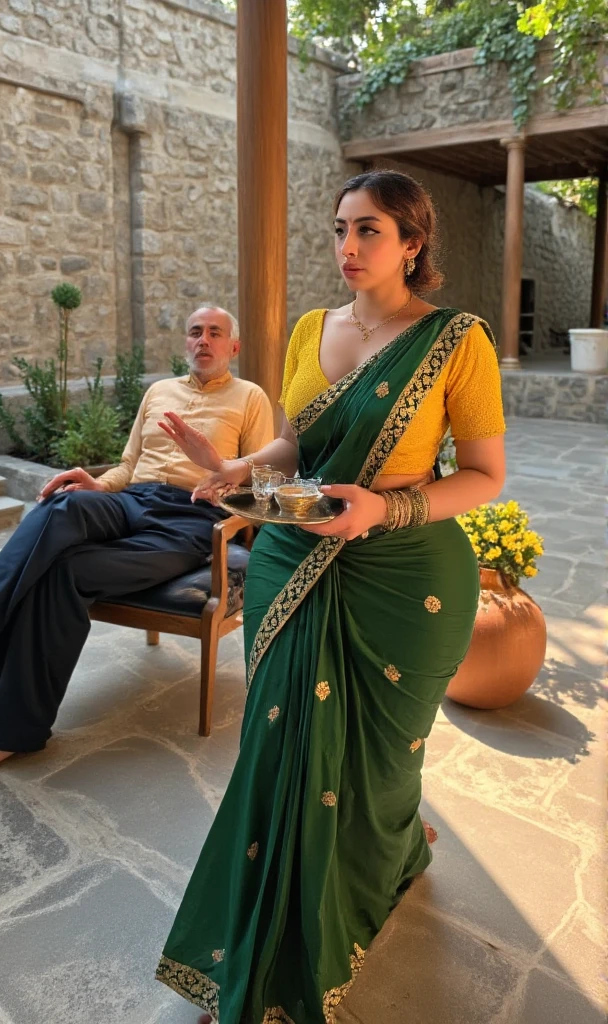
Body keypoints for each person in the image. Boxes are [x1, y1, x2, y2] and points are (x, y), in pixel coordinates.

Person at [154, 171, 506, 1024]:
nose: (348, 248)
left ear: (413, 244)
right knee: (280, 754)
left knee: (383, 764)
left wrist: (387, 506)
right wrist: (235, 468)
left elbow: (487, 477)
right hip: (291, 558)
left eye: (371, 231)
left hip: (404, 572)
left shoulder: (458, 341)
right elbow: (293, 443)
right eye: (340, 229)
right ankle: (260, 946)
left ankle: (385, 851)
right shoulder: (313, 329)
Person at [0, 305, 273, 779]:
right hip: (133, 501)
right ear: (185, 342)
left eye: (215, 333)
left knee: (64, 572)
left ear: (234, 346)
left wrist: (221, 485)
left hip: (190, 520)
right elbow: (126, 466)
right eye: (195, 332)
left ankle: (7, 731)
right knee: (62, 505)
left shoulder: (250, 398)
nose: (203, 340)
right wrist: (97, 484)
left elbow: (261, 485)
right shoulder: (158, 392)